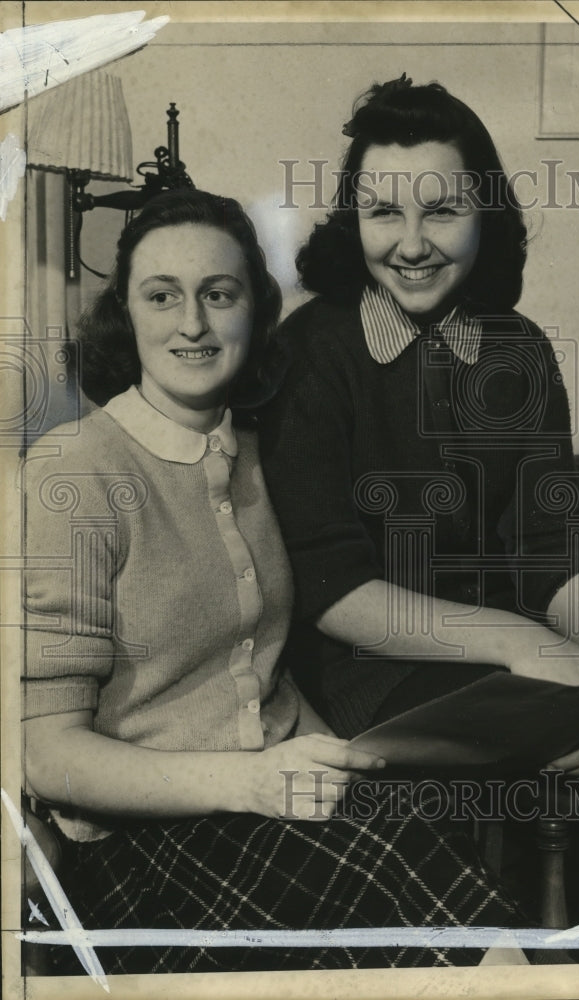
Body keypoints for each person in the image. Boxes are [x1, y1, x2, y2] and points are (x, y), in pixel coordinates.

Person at [258, 76, 579, 961]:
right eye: (382, 214)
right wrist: (526, 649)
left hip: (503, 666)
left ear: (486, 216)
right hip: (365, 673)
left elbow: (547, 541)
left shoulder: (516, 347)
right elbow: (331, 588)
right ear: (350, 220)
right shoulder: (313, 351)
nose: (411, 245)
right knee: (566, 773)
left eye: (442, 211)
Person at [21, 188, 531, 976]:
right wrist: (250, 782)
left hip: (275, 802)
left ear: (254, 314)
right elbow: (48, 754)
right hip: (140, 851)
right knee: (443, 919)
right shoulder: (76, 468)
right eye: (162, 297)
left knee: (435, 844)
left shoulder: (260, 453)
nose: (191, 324)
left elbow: (269, 666)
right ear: (124, 314)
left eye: (218, 296)